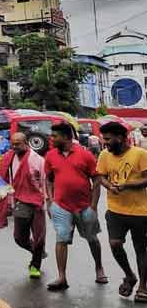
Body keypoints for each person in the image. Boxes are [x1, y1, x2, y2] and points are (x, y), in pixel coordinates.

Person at [43, 121, 107, 291]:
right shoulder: (50, 156)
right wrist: (50, 200)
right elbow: (49, 179)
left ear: (65, 137)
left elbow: (97, 180)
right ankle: (62, 277)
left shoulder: (85, 155)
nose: (51, 138)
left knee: (92, 238)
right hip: (61, 206)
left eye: (55, 136)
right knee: (61, 239)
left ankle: (99, 268)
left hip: (84, 206)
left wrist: (93, 206)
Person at [95, 120, 147, 301]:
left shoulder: (140, 154)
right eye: (104, 139)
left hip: (140, 211)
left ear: (120, 138)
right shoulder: (104, 155)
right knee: (115, 244)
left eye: (108, 139)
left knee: (140, 248)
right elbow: (100, 175)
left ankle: (142, 287)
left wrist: (128, 185)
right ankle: (130, 275)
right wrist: (110, 186)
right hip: (115, 210)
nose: (105, 142)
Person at [0, 132, 47, 279]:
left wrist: (46, 201)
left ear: (26, 142)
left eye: (18, 143)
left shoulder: (38, 160)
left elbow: (45, 181)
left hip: (38, 201)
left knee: (39, 236)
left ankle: (35, 265)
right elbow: (5, 179)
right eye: (12, 143)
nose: (15, 146)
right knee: (19, 237)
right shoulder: (8, 158)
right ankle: (38, 252)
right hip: (20, 201)